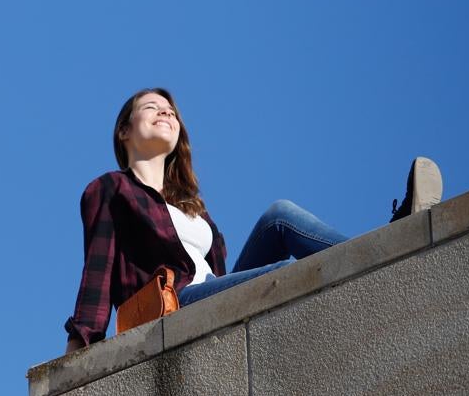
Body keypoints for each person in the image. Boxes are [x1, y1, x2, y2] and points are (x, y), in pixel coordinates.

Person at [64, 88, 443, 353]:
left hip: (208, 290)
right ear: (124, 130)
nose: (166, 112)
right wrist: (80, 344)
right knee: (280, 275)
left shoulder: (191, 207)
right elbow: (98, 267)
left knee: (278, 217)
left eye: (172, 110)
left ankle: (388, 246)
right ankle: (384, 253)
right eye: (151, 107)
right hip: (173, 303)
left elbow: (218, 276)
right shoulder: (110, 189)